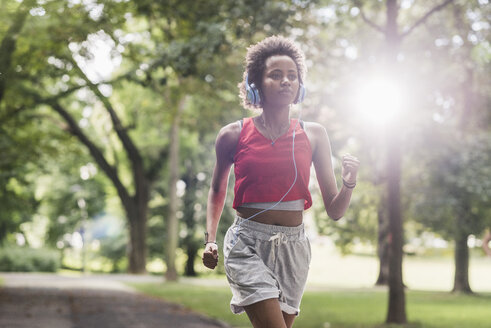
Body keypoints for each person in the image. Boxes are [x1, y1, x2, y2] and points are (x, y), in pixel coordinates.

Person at [202, 35, 360, 328]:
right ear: (256, 83)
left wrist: (348, 184)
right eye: (275, 75)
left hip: (294, 249)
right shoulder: (232, 135)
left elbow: (335, 211)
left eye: (292, 76)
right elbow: (216, 189)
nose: (286, 81)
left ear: (300, 85)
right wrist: (209, 240)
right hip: (246, 244)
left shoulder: (314, 135)